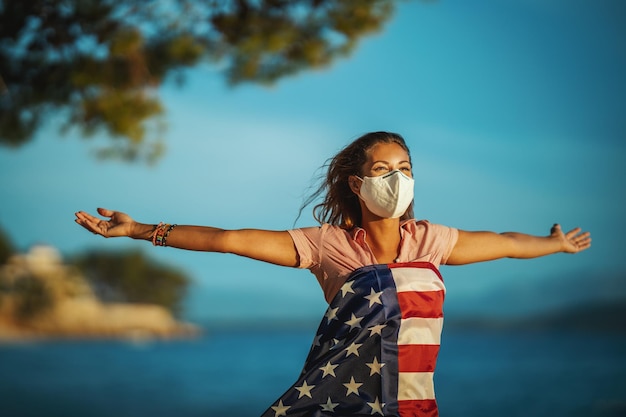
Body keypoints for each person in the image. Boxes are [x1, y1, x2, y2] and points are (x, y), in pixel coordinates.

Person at [75, 131, 591, 417]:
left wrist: (555, 244)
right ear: (356, 182)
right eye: (384, 170)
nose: (398, 179)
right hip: (342, 405)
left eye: (406, 169)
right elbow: (229, 240)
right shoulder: (329, 245)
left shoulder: (431, 241)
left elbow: (504, 244)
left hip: (414, 406)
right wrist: (141, 229)